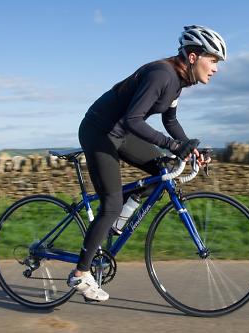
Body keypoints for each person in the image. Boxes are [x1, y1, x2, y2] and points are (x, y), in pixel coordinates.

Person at [67, 25, 227, 302]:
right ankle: (80, 275)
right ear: (192, 56)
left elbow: (170, 121)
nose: (215, 68)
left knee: (160, 170)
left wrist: (188, 149)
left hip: (122, 133)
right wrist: (173, 145)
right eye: (212, 60)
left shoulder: (179, 81)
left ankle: (117, 221)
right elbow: (133, 119)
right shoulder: (161, 75)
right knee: (111, 202)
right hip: (99, 131)